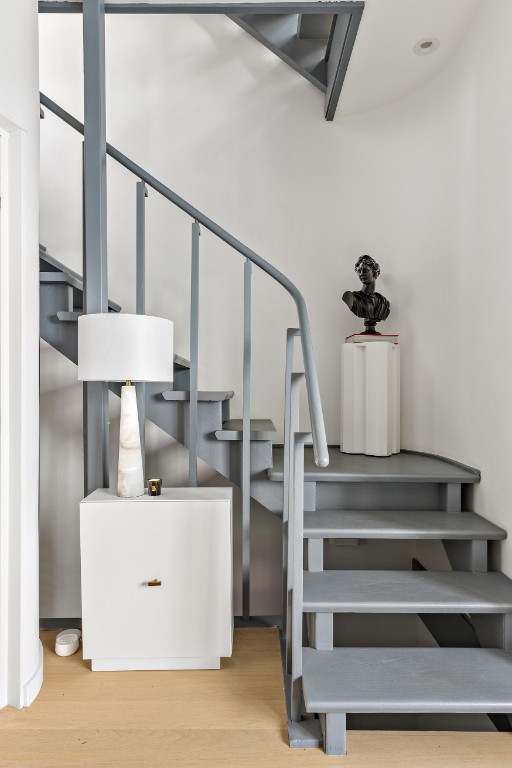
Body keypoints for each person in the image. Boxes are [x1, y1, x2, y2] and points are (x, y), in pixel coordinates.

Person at [342, 255, 390, 331]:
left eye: (365, 270)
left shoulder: (383, 302)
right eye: (359, 271)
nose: (361, 274)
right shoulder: (351, 297)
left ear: (375, 273)